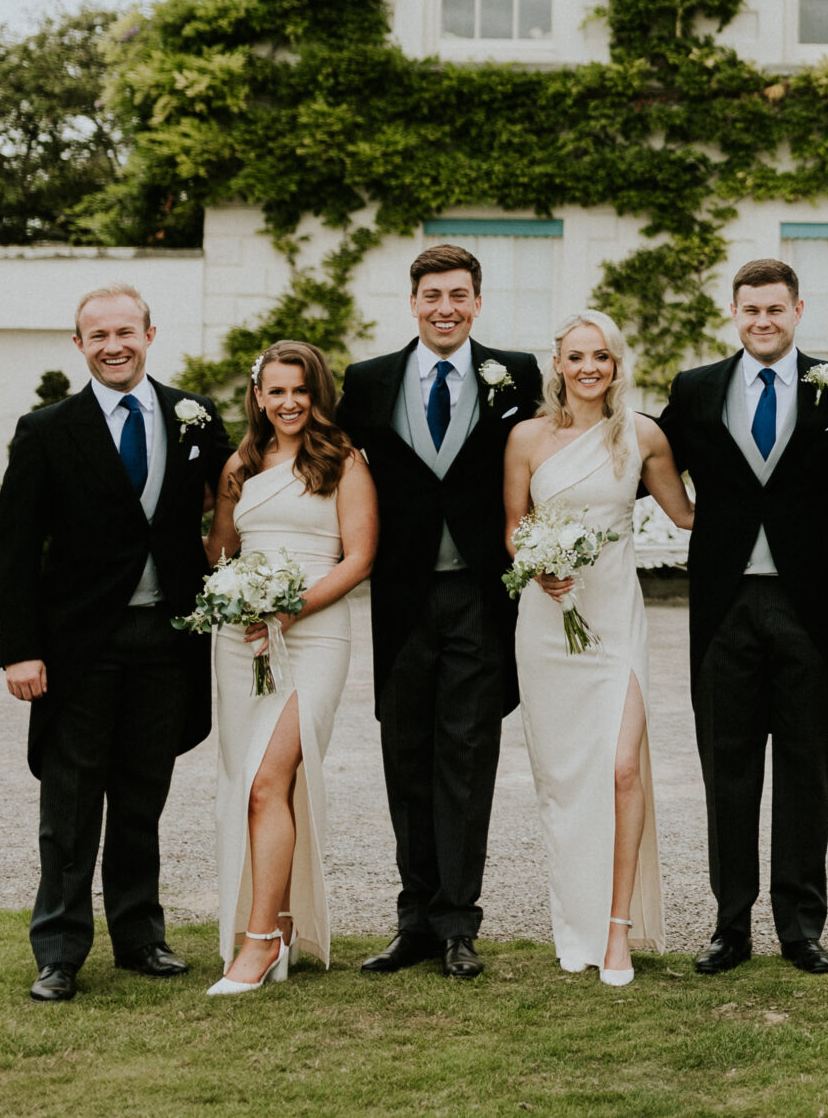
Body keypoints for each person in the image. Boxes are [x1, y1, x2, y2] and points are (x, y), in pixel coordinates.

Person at [0, 282, 232, 1003]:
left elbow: (238, 488)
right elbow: (14, 545)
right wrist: (20, 649)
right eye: (97, 335)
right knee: (69, 802)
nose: (113, 345)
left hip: (167, 637)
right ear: (79, 345)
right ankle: (60, 950)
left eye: (125, 331)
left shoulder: (193, 416)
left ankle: (140, 937)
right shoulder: (46, 430)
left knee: (140, 796)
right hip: (78, 645)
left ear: (150, 334)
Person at [660, 259, 828, 975]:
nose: (763, 321)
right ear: (734, 312)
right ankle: (731, 924)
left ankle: (800, 924)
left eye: (775, 310)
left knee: (804, 767)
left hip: (808, 603)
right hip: (724, 604)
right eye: (750, 310)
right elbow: (638, 455)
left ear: (798, 310)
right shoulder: (695, 389)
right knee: (726, 767)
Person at [338, 244, 544, 981]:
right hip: (400, 596)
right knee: (407, 760)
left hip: (482, 597)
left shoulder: (515, 373)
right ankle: (414, 921)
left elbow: (546, 456)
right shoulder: (366, 383)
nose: (445, 307)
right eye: (432, 295)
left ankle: (460, 922)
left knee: (466, 758)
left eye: (459, 294)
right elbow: (325, 466)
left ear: (478, 302)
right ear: (414, 301)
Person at [503, 312, 694, 985]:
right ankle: (575, 924)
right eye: (577, 355)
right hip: (548, 621)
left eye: (602, 356)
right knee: (564, 782)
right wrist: (537, 562)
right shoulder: (526, 437)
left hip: (615, 617)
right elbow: (513, 528)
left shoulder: (640, 433)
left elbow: (688, 514)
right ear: (557, 362)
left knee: (621, 768)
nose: (590, 366)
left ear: (616, 363)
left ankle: (618, 930)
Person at [201, 341, 377, 995]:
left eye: (299, 390)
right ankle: (277, 924)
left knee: (267, 780)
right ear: (258, 396)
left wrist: (288, 610)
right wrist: (235, 597)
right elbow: (222, 549)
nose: (288, 402)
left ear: (317, 393)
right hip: (242, 635)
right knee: (247, 780)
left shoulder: (343, 462)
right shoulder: (239, 466)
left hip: (314, 632)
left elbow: (358, 558)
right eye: (275, 391)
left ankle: (260, 942)